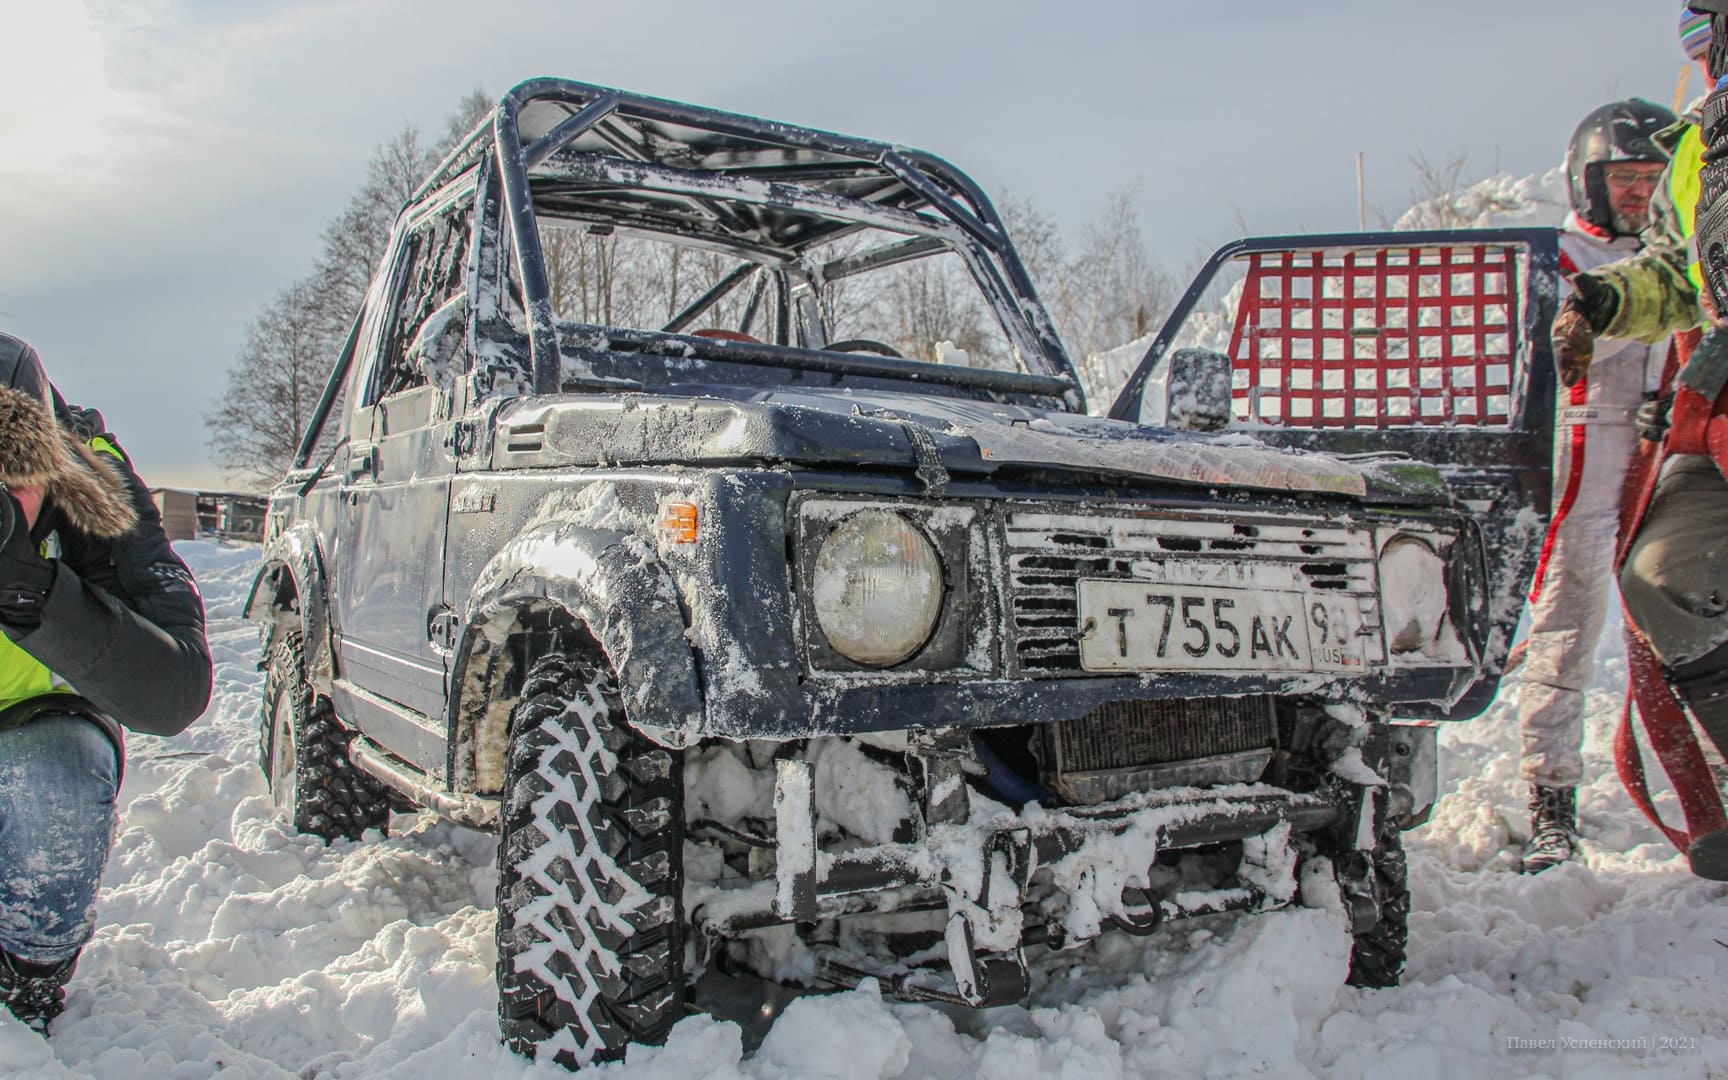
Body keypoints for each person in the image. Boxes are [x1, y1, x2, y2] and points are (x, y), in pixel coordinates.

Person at [0, 333, 212, 1032]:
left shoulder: (94, 486)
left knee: (55, 783)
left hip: (34, 726)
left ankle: (24, 974)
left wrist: (31, 590)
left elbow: (176, 688)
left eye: (9, 473)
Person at [1515, 98, 1677, 874]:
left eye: (1653, 177)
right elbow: (1552, 345)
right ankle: (1551, 797)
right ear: (1590, 180)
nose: (1639, 192)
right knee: (1567, 628)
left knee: (1689, 621)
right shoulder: (1560, 258)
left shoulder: (1691, 259)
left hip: (1675, 455)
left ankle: (1705, 778)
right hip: (1587, 454)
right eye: (1625, 177)